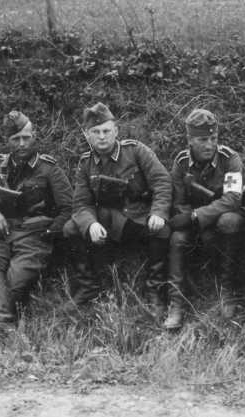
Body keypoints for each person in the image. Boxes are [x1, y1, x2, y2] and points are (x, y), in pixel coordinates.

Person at [63, 103, 172, 320]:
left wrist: (158, 212)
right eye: (96, 132)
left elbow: (162, 181)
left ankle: (155, 290)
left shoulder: (136, 151)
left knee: (162, 231)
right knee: (71, 228)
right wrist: (91, 224)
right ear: (87, 135)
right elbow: (81, 203)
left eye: (106, 131)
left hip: (139, 216)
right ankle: (88, 287)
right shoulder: (85, 164)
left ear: (116, 131)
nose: (102, 137)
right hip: (108, 221)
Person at [0, 111, 72, 341]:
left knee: (16, 278)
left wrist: (49, 233)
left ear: (34, 136)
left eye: (26, 137)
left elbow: (69, 207)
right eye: (15, 139)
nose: (21, 144)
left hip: (33, 236)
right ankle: (2, 325)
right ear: (7, 141)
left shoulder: (48, 168)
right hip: (0, 233)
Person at [167, 109, 245, 328]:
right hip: (197, 220)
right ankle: (176, 302)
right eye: (202, 139)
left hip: (229, 216)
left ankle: (227, 290)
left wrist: (197, 216)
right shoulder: (181, 162)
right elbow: (179, 200)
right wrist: (187, 216)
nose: (209, 145)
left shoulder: (230, 159)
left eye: (213, 138)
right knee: (177, 238)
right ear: (190, 140)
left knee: (228, 222)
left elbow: (233, 199)